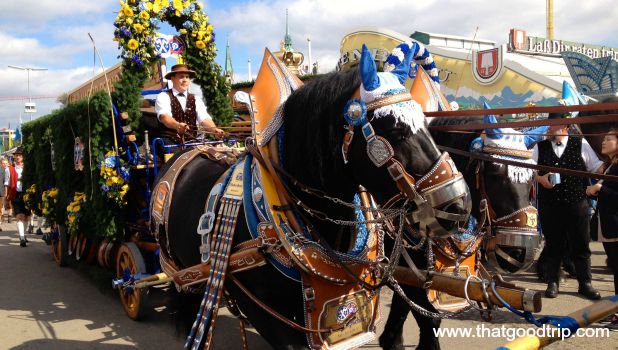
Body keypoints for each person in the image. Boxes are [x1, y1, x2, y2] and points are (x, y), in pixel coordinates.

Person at [533, 112, 604, 300]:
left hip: (577, 204)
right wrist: (540, 178)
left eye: (552, 124)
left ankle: (585, 283)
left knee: (581, 244)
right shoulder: (539, 147)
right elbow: (529, 171)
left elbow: (597, 167)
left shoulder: (580, 144)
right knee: (554, 244)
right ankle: (553, 282)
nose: (548, 128)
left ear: (563, 126)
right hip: (550, 206)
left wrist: (602, 178)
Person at [586, 126, 618, 328]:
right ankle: (615, 310)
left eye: (609, 138)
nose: (603, 141)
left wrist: (600, 188)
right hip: (609, 227)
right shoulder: (610, 165)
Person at [155, 64, 224, 148]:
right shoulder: (163, 96)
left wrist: (214, 130)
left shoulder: (196, 99)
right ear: (172, 79)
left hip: (193, 142)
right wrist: (177, 125)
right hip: (170, 143)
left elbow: (204, 118)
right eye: (181, 77)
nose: (185, 80)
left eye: (187, 77)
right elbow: (164, 117)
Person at [5, 147, 30, 247]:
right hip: (15, 194)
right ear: (14, 157)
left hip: (27, 194)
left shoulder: (27, 168)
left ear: (23, 157)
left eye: (20, 155)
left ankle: (23, 234)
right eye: (16, 155)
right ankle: (22, 238)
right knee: (20, 216)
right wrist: (7, 197)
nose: (18, 157)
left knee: (27, 217)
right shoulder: (9, 169)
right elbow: (6, 183)